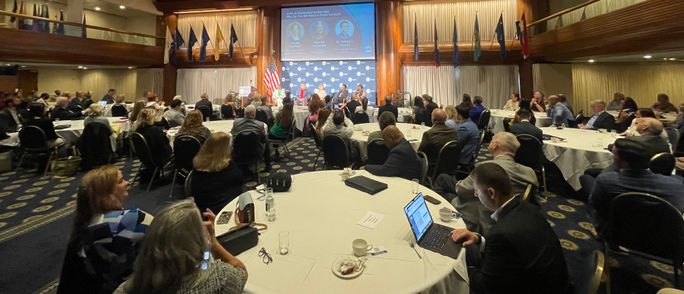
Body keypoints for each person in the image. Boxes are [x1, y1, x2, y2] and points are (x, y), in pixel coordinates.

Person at [450, 163, 569, 294]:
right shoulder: (527, 208)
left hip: (530, 287)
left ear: (491, 193)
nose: (475, 195)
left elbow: (486, 287)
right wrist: (479, 240)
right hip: (547, 281)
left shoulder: (501, 233)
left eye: (477, 192)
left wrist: (459, 268)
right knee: (467, 250)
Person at [112, 200, 247, 294]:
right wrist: (213, 244)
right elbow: (240, 271)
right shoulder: (220, 279)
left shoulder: (126, 289)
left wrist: (207, 249)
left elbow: (205, 266)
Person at [58, 165, 152, 294]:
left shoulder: (82, 228)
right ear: (106, 193)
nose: (127, 182)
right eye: (121, 181)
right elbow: (167, 229)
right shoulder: (131, 219)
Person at [434, 132, 539, 234]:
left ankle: (440, 222)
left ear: (495, 145)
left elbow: (461, 190)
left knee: (443, 188)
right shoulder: (529, 172)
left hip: (478, 214)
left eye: (491, 140)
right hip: (509, 217)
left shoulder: (486, 168)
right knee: (444, 179)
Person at [589, 138, 684, 234]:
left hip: (620, 232)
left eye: (614, 154)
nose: (612, 157)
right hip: (662, 237)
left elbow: (596, 205)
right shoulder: (678, 183)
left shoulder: (607, 180)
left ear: (624, 162)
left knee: (588, 181)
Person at [190, 132, 244, 213]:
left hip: (201, 205)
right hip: (223, 207)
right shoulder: (226, 165)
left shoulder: (197, 162)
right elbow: (239, 180)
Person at [231, 105, 270, 171]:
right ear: (254, 114)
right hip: (255, 153)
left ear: (244, 113)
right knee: (267, 142)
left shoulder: (236, 122)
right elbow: (263, 140)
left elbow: (233, 134)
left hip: (238, 153)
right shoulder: (260, 125)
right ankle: (267, 166)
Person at [418, 109, 456, 174]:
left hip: (433, 167)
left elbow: (420, 153)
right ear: (445, 119)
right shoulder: (453, 131)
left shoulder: (429, 134)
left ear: (432, 119)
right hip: (450, 165)